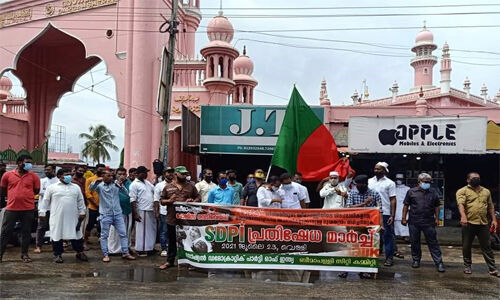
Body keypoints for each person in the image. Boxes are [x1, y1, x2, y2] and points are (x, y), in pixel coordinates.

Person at [39, 168, 87, 263]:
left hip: (73, 216)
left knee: (76, 234)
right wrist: (42, 212)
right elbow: (46, 201)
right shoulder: (52, 187)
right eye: (66, 174)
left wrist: (82, 212)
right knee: (57, 235)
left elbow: (80, 201)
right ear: (59, 176)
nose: (69, 176)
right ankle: (58, 254)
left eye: (70, 174)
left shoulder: (75, 187)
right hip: (57, 216)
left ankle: (79, 252)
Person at [456, 172, 499, 277]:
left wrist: (494, 220)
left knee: (487, 246)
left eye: (478, 178)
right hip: (469, 223)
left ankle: (492, 268)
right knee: (466, 246)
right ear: (468, 180)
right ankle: (467, 266)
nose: (476, 179)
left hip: (483, 223)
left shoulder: (486, 191)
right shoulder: (462, 191)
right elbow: (460, 205)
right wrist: (463, 217)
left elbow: (490, 206)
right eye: (474, 178)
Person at [0, 155, 40, 263]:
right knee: (5, 232)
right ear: (19, 163)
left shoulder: (34, 176)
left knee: (26, 232)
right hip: (11, 208)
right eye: (27, 162)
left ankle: (24, 254)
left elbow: (36, 191)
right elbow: (3, 190)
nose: (29, 165)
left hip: (28, 209)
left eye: (30, 162)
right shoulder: (7, 175)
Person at [401, 173, 444, 272]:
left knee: (433, 242)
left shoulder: (433, 192)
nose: (428, 184)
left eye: (429, 182)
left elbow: (437, 206)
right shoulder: (411, 192)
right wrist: (404, 218)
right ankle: (416, 260)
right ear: (419, 182)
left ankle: (439, 262)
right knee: (414, 242)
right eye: (426, 182)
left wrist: (437, 218)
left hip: (429, 221)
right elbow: (406, 205)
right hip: (414, 221)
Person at [89, 169, 136, 262]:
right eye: (108, 176)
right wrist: (97, 181)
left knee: (123, 234)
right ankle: (106, 255)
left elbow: (127, 194)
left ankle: (125, 253)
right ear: (103, 176)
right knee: (104, 236)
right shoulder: (100, 186)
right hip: (106, 214)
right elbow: (91, 189)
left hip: (118, 213)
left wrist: (121, 186)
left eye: (112, 176)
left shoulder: (116, 185)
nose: (111, 177)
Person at [341, 174, 382, 279]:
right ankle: (345, 269)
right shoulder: (353, 193)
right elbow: (349, 208)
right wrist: (365, 203)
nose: (358, 186)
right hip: (354, 224)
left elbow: (379, 210)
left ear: (365, 184)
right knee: (351, 247)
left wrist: (380, 224)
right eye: (357, 184)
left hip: (369, 225)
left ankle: (365, 270)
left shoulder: (375, 193)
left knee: (367, 248)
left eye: (360, 184)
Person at [159, 166, 200, 269]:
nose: (185, 175)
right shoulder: (168, 187)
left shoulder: (191, 186)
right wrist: (169, 201)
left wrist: (193, 201)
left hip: (186, 220)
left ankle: (191, 262)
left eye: (185, 174)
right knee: (172, 241)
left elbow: (198, 197)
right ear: (176, 174)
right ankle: (170, 261)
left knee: (188, 241)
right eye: (182, 173)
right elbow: (162, 201)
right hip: (172, 218)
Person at [368, 162, 396, 267]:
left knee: (387, 236)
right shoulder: (369, 181)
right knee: (370, 235)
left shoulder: (390, 183)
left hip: (385, 212)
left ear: (384, 170)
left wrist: (392, 215)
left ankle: (389, 258)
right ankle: (371, 257)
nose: (376, 171)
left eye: (378, 169)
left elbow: (393, 199)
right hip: (370, 212)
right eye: (375, 168)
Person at [129, 166, 156, 256]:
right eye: (144, 173)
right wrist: (135, 213)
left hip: (150, 208)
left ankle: (150, 247)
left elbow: (154, 190)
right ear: (138, 174)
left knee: (151, 230)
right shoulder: (134, 184)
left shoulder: (147, 182)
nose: (146, 174)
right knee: (142, 231)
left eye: (146, 172)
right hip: (142, 209)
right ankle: (141, 249)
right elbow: (132, 199)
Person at [107, 167, 134, 255]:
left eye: (123, 174)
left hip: (127, 210)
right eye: (119, 174)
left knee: (127, 230)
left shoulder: (130, 184)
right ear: (116, 175)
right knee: (115, 231)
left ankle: (125, 248)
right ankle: (113, 249)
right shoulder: (111, 184)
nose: (122, 176)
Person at [34, 165, 59, 254]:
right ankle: (38, 246)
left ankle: (55, 246)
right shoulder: (42, 181)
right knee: (41, 227)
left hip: (55, 208)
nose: (46, 171)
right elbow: (39, 192)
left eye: (48, 170)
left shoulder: (58, 181)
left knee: (55, 227)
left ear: (53, 170)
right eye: (45, 170)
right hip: (43, 208)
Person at [153, 166, 175, 257]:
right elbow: (156, 200)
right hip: (164, 212)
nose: (170, 174)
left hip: (175, 212)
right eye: (168, 172)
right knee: (164, 231)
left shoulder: (176, 184)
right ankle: (164, 248)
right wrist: (156, 212)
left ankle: (172, 249)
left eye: (171, 172)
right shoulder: (159, 185)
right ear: (164, 174)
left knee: (173, 232)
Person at [84, 163, 106, 248]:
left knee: (104, 224)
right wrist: (96, 204)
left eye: (103, 169)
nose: (101, 171)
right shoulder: (90, 179)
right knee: (90, 224)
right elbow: (88, 193)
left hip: (104, 207)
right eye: (100, 169)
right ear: (96, 169)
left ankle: (103, 242)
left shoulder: (106, 179)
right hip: (93, 207)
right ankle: (85, 241)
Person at [394, 173, 410, 259]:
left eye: (400, 179)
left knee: (404, 223)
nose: (398, 181)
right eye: (397, 179)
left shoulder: (408, 189)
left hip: (404, 208)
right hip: (396, 209)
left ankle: (405, 236)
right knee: (396, 223)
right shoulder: (393, 189)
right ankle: (397, 236)